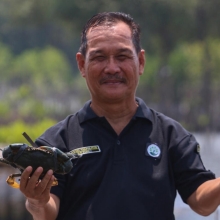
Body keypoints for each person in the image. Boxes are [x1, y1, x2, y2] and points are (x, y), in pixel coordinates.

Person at [19, 12, 220, 220]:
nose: (112, 68)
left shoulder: (172, 136)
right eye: (99, 57)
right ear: (81, 65)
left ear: (140, 61)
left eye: (122, 57)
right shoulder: (56, 141)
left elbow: (201, 203)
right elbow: (47, 212)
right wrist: (37, 202)